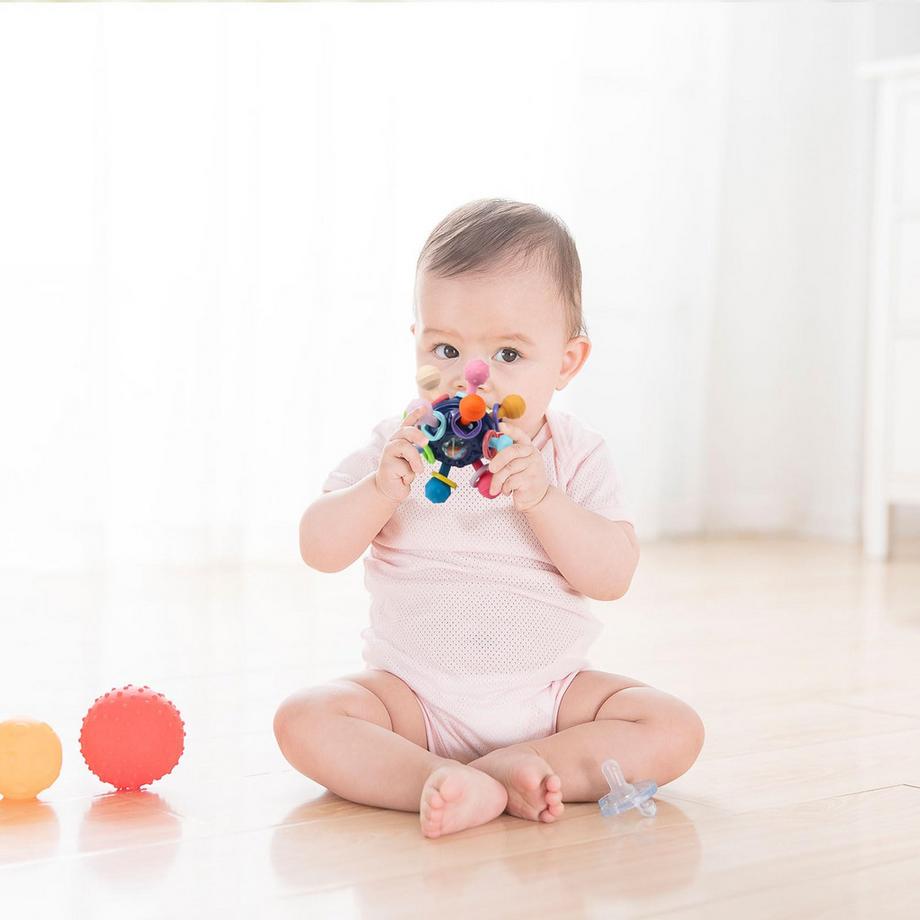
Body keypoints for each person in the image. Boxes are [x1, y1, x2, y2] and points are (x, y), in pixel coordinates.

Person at [274, 199, 705, 838]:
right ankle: (437, 779)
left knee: (673, 728)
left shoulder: (574, 454)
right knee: (303, 719)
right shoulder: (400, 443)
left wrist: (544, 500)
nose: (467, 378)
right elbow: (319, 546)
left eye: (507, 354)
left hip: (552, 698)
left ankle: (519, 764)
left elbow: (612, 575)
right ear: (416, 342)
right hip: (413, 700)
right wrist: (377, 492)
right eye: (445, 347)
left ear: (566, 361)